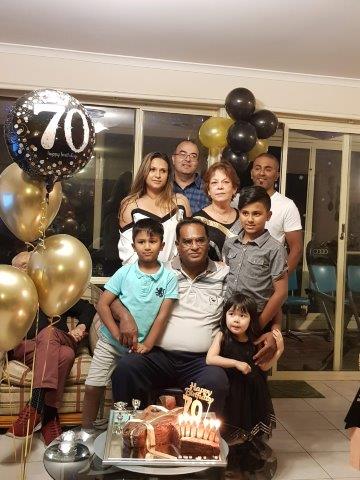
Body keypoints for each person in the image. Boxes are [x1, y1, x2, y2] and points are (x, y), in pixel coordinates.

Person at [111, 218, 229, 415]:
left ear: (208, 243)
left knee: (216, 380)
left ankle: (193, 441)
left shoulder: (224, 274)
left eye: (200, 240)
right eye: (187, 241)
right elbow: (111, 297)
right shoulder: (160, 270)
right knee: (126, 368)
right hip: (159, 356)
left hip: (201, 361)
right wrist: (124, 315)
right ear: (177, 245)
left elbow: (248, 303)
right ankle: (132, 431)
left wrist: (274, 328)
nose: (194, 247)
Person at [82, 218, 178, 429]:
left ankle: (132, 428)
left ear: (162, 245)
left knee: (132, 388)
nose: (147, 246)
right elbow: (102, 305)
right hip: (110, 343)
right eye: (141, 242)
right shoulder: (124, 272)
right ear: (133, 245)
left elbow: (163, 316)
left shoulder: (169, 278)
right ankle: (86, 430)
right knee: (92, 385)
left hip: (139, 348)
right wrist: (116, 334)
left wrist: (148, 345)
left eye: (152, 242)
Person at [7, 251, 96, 445]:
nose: (30, 268)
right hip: (26, 347)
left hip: (63, 338)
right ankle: (49, 416)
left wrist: (81, 326)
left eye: (33, 264)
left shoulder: (53, 291)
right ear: (15, 270)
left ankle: (35, 406)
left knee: (49, 334)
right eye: (24, 265)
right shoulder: (10, 295)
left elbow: (88, 308)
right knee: (65, 355)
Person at [206, 293, 284, 440]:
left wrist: (279, 351)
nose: (236, 320)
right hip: (231, 390)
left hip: (252, 391)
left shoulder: (255, 339)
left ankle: (248, 453)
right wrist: (236, 363)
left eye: (243, 316)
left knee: (250, 428)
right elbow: (210, 359)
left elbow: (264, 367)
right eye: (231, 314)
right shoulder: (222, 336)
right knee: (229, 425)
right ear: (225, 316)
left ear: (251, 319)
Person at [223, 186, 288, 338]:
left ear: (268, 215)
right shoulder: (230, 244)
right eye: (245, 213)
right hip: (229, 316)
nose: (250, 219)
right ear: (239, 214)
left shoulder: (275, 248)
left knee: (254, 361)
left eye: (257, 214)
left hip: (256, 318)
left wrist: (258, 325)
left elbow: (281, 292)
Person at [118, 152, 191, 264]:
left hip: (175, 275)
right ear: (144, 172)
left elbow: (189, 242)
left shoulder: (181, 203)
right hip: (140, 276)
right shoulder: (130, 205)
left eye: (163, 171)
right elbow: (127, 251)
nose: (158, 175)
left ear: (168, 175)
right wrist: (148, 273)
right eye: (152, 169)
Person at [250, 153, 303, 274]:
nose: (262, 173)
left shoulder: (287, 206)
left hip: (268, 277)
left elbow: (297, 249)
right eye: (257, 168)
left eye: (268, 169)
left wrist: (280, 279)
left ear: (276, 176)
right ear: (251, 173)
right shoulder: (239, 200)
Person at [193, 161, 241, 261]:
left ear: (234, 189)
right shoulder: (197, 220)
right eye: (214, 182)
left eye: (226, 182)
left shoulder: (243, 218)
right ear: (208, 190)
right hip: (208, 275)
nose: (220, 187)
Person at [172, 140, 209, 213]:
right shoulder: (163, 187)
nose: (188, 159)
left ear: (197, 162)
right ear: (173, 159)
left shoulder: (208, 189)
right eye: (183, 154)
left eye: (193, 156)